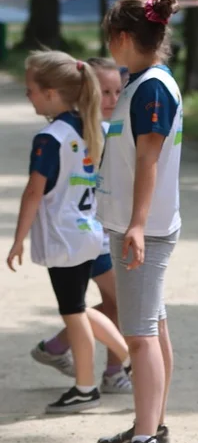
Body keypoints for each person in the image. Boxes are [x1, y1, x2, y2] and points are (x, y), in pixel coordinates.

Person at [95, 0, 184, 443]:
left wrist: (135, 225)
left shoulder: (150, 88)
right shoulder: (142, 84)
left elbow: (149, 159)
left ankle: (147, 438)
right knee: (154, 325)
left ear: (124, 38)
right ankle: (152, 425)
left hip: (142, 230)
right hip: (139, 225)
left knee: (140, 335)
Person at [7, 51, 120, 412]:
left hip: (64, 237)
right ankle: (128, 356)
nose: (29, 96)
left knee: (73, 312)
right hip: (88, 234)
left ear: (53, 93)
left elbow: (33, 193)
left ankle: (86, 387)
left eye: (31, 90)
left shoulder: (51, 137)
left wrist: (17, 239)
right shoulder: (94, 129)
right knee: (79, 308)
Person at [30, 57, 133, 395]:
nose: (112, 100)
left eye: (118, 91)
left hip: (103, 232)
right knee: (114, 301)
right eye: (104, 91)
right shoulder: (75, 132)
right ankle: (116, 366)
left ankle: (60, 349)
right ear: (84, 90)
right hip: (88, 237)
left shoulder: (108, 130)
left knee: (110, 302)